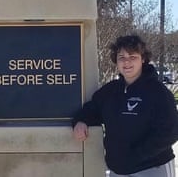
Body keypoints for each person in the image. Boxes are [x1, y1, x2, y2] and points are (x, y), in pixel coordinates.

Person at [72, 35, 178, 177]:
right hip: (118, 170)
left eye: (133, 57)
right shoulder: (110, 91)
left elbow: (170, 132)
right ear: (116, 61)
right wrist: (80, 121)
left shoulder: (158, 93)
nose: (126, 62)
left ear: (143, 59)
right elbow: (92, 110)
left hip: (152, 168)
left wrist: (136, 155)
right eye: (121, 57)